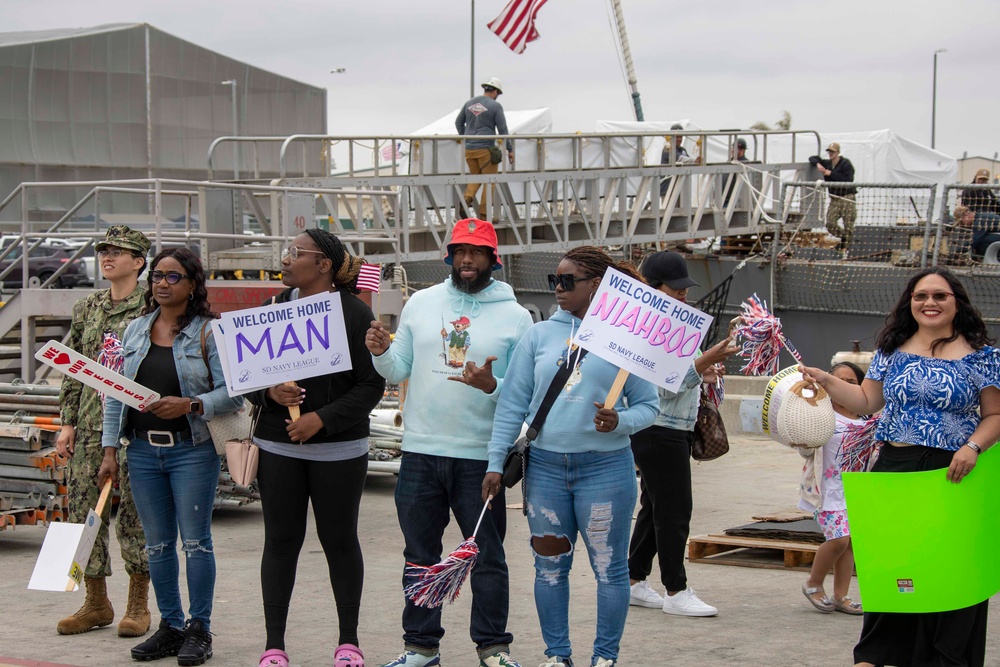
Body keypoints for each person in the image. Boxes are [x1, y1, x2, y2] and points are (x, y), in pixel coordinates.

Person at [799, 267, 1000, 667]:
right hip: (893, 469)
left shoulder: (983, 356)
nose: (930, 303)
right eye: (921, 295)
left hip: (952, 474)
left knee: (949, 571)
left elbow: (995, 414)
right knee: (893, 568)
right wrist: (824, 379)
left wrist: (973, 447)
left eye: (940, 295)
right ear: (910, 302)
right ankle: (875, 656)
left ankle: (946, 658)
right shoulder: (891, 349)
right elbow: (866, 402)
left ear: (956, 301)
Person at [366, 219, 533, 667]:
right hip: (420, 452)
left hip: (482, 458)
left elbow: (525, 394)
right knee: (420, 555)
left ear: (493, 260)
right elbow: (398, 369)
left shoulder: (517, 317)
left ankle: (493, 649)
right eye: (460, 251)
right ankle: (420, 647)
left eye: (477, 253)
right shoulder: (420, 303)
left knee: (488, 557)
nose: (466, 260)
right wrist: (381, 350)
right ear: (448, 255)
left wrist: (490, 385)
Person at [483, 246, 660, 667]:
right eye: (554, 281)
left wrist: (618, 421)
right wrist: (494, 463)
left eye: (567, 281)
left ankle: (604, 658)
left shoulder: (625, 339)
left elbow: (649, 406)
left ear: (596, 286)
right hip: (544, 469)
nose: (557, 289)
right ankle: (557, 656)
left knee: (610, 570)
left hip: (606, 470)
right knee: (549, 569)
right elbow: (512, 406)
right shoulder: (539, 335)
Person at [247, 229, 386, 667]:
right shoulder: (271, 309)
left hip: (339, 451)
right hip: (278, 446)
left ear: (323, 264)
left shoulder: (356, 314)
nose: (286, 259)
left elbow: (371, 385)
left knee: (340, 541)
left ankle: (349, 642)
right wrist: (271, 395)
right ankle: (274, 645)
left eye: (295, 253)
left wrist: (321, 420)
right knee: (281, 542)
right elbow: (247, 380)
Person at [100, 248, 244, 666]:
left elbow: (234, 392)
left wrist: (192, 404)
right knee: (157, 545)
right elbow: (115, 394)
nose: (162, 283)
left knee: (196, 543)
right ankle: (170, 626)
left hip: (191, 452)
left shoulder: (210, 334)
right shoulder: (135, 331)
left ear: (193, 284)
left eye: (173, 277)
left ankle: (199, 629)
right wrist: (110, 451)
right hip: (142, 452)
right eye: (157, 276)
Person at [625, 251, 740, 618]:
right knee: (675, 510)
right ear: (652, 289)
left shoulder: (667, 326)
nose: (683, 295)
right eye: (674, 289)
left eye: (684, 288)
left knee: (656, 506)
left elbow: (679, 379)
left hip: (667, 427)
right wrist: (704, 362)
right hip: (660, 427)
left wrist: (701, 372)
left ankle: (633, 580)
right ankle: (676, 589)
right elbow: (662, 387)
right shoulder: (649, 330)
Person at [56, 225, 152, 638]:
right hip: (91, 426)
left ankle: (138, 605)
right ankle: (95, 601)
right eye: (103, 251)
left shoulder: (152, 306)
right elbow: (72, 368)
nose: (108, 257)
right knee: (81, 512)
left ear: (138, 261)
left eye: (118, 251)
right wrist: (68, 422)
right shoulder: (88, 308)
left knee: (136, 515)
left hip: (135, 428)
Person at [798, 361, 866, 616]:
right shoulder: (820, 413)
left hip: (856, 491)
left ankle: (841, 596)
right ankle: (813, 583)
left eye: (852, 382)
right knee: (838, 541)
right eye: (838, 380)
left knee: (849, 545)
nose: (845, 387)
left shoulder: (868, 418)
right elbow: (804, 448)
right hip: (827, 490)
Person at [456, 77, 514, 219]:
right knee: (490, 181)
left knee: (476, 177)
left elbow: (458, 122)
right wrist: (510, 149)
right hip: (486, 149)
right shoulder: (495, 106)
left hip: (469, 150)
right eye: (498, 94)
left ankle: (466, 200)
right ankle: (484, 215)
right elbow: (502, 129)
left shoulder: (469, 103)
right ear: (495, 92)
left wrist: (467, 138)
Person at [812, 142, 857, 251]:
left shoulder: (846, 164)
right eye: (829, 151)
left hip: (847, 197)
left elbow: (848, 179)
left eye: (833, 152)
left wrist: (830, 173)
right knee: (830, 222)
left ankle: (848, 245)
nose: (830, 154)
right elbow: (813, 158)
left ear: (838, 152)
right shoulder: (827, 163)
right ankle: (845, 239)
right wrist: (818, 164)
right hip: (835, 198)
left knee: (848, 223)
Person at [960, 168, 1000, 256]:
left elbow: (996, 205)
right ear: (976, 178)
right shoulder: (969, 190)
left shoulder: (987, 190)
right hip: (982, 221)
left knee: (980, 240)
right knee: (980, 240)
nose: (982, 181)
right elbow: (970, 207)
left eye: (984, 179)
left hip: (984, 221)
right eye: (980, 179)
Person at [659, 123, 697, 197]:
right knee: (668, 208)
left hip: (678, 188)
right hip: (667, 189)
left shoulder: (682, 150)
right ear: (671, 137)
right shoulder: (668, 149)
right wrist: (695, 161)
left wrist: (695, 162)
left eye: (681, 137)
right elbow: (680, 159)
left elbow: (688, 161)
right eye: (677, 137)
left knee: (680, 208)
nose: (679, 139)